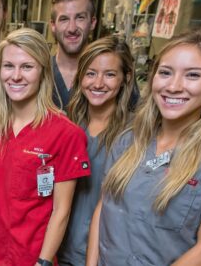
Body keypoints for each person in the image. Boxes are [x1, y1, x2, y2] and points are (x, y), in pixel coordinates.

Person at [86, 28, 201, 266]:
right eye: (165, 73)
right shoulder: (128, 140)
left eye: (193, 75)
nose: (174, 86)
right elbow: (102, 211)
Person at [0, 28, 91, 266]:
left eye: (26, 67)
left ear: (43, 72)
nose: (16, 76)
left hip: (31, 258)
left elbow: (61, 211)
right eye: (8, 66)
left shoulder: (66, 134)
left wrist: (42, 262)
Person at [57, 36, 135, 265]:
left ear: (125, 78)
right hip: (57, 249)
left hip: (103, 255)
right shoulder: (67, 126)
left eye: (110, 74)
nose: (98, 83)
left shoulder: (136, 134)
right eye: (91, 73)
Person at [49, 0, 97, 110]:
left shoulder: (109, 76)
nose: (72, 28)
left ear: (92, 22)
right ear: (53, 25)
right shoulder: (40, 72)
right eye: (64, 19)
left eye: (80, 17)